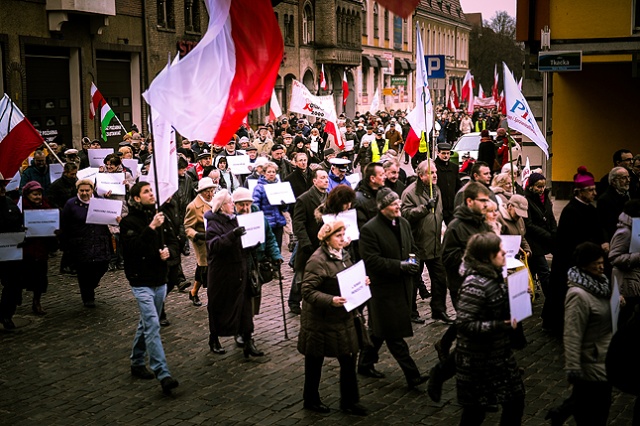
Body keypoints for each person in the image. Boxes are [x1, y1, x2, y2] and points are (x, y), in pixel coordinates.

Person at [357, 188, 429, 389]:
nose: (398, 206)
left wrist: (414, 261)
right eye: (393, 204)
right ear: (382, 208)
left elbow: (412, 247)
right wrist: (399, 266)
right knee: (393, 334)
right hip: (383, 290)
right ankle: (412, 375)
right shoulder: (370, 230)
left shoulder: (404, 223)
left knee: (378, 331)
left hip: (403, 286)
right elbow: (371, 261)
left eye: (398, 203)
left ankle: (364, 364)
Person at [297, 220, 368, 416]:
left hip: (342, 318)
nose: (342, 239)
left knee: (348, 359)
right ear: (327, 238)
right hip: (320, 321)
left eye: (344, 234)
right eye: (338, 235)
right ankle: (310, 399)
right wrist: (330, 300)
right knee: (314, 361)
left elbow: (350, 276)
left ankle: (349, 401)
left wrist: (362, 282)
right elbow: (307, 290)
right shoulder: (317, 260)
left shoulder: (344, 254)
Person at [455, 232, 525, 425]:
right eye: (499, 251)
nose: (504, 252)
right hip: (479, 360)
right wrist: (499, 325)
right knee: (474, 413)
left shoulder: (493, 274)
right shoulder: (473, 284)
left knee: (515, 400)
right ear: (487, 257)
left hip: (498, 355)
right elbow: (464, 324)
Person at [120, 182, 179, 395]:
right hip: (140, 280)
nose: (151, 194)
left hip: (159, 278)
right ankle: (162, 373)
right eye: (146, 191)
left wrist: (169, 252)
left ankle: (136, 361)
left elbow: (174, 242)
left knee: (146, 322)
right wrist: (151, 227)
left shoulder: (161, 217)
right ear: (136, 198)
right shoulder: (128, 222)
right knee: (153, 325)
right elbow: (133, 248)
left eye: (151, 191)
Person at [548, 242, 613, 426]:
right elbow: (572, 334)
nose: (601, 266)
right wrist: (573, 368)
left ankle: (563, 411)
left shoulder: (601, 284)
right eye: (597, 263)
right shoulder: (578, 295)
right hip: (590, 365)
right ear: (584, 265)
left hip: (603, 359)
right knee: (593, 415)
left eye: (602, 262)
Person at [546, 167, 606, 336]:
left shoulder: (590, 208)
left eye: (595, 189)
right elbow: (571, 240)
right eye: (590, 190)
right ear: (579, 192)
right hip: (570, 260)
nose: (594, 193)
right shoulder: (570, 211)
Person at [205, 189, 264, 358]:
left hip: (239, 269)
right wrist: (232, 235)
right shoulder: (213, 222)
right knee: (219, 306)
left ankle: (248, 341)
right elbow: (214, 245)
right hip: (222, 273)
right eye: (230, 202)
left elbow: (242, 242)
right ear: (222, 206)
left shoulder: (236, 220)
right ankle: (214, 338)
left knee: (245, 307)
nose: (233, 205)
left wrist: (253, 242)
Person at [401, 159, 453, 324]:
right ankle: (410, 311)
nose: (435, 175)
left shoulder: (436, 189)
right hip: (416, 245)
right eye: (431, 173)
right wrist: (424, 208)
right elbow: (405, 214)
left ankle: (439, 310)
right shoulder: (410, 192)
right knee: (413, 280)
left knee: (440, 279)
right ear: (421, 175)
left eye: (436, 172)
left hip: (435, 244)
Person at [232, 187, 283, 348]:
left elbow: (269, 237)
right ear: (235, 205)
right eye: (241, 205)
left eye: (247, 204)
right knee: (241, 299)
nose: (245, 208)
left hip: (256, 263)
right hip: (239, 265)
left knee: (254, 296)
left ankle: (248, 326)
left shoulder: (259, 217)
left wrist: (276, 255)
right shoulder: (231, 219)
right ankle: (241, 331)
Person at [59, 179, 112, 307]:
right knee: (84, 271)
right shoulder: (71, 204)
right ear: (77, 190)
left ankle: (91, 285)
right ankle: (88, 297)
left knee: (103, 265)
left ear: (92, 190)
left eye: (87, 190)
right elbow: (64, 224)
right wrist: (64, 242)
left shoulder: (100, 202)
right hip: (80, 243)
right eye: (81, 190)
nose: (84, 193)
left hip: (99, 240)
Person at [289, 169, 329, 315]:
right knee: (301, 275)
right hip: (309, 243)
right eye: (322, 177)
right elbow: (298, 223)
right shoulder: (304, 199)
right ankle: (294, 300)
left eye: (327, 177)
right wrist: (305, 243)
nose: (326, 180)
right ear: (314, 181)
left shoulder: (330, 197)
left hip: (324, 243)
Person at [522, 172, 557, 331]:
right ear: (531, 186)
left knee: (534, 269)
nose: (541, 189)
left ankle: (528, 294)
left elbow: (550, 218)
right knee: (543, 270)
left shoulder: (546, 199)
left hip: (546, 239)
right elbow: (528, 224)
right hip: (533, 240)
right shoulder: (527, 200)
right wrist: (547, 235)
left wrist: (555, 233)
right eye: (538, 186)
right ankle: (551, 299)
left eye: (543, 186)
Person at [22, 181, 56, 315]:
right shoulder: (20, 207)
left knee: (40, 278)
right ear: (27, 195)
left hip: (41, 249)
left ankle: (37, 302)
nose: (37, 197)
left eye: (39, 194)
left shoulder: (47, 207)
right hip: (25, 249)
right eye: (34, 194)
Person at [184, 178, 216, 309]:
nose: (210, 194)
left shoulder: (216, 201)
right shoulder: (193, 206)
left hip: (215, 238)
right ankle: (212, 298)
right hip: (202, 241)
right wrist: (196, 235)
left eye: (211, 191)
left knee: (207, 268)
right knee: (206, 268)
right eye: (207, 192)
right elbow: (187, 227)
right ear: (201, 192)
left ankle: (194, 291)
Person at [609, 199, 640, 326]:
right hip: (625, 283)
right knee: (624, 319)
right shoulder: (624, 232)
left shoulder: (635, 227)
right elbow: (613, 257)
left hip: (633, 280)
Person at [0, 173, 24, 329]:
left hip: (10, 253)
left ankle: (6, 315)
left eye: (2, 184)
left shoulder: (9, 203)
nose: (2, 188)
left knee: (13, 285)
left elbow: (19, 222)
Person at [253, 162, 287, 250]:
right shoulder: (259, 187)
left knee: (278, 247)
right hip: (266, 222)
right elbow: (255, 206)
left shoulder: (279, 186)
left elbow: (285, 208)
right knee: (268, 247)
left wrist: (284, 205)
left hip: (278, 222)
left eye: (273, 172)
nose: (271, 174)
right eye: (269, 172)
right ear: (264, 173)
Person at [597, 166, 631, 243]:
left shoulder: (626, 195)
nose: (628, 180)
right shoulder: (605, 200)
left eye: (628, 177)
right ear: (614, 182)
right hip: (615, 239)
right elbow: (604, 225)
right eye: (624, 178)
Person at [435, 142, 462, 225]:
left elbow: (458, 185)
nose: (446, 156)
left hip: (451, 208)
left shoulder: (454, 167)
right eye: (443, 153)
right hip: (438, 207)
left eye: (448, 153)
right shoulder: (433, 167)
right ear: (438, 153)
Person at [354, 162, 386, 230]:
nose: (385, 177)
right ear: (372, 178)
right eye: (381, 175)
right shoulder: (358, 199)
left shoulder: (384, 193)